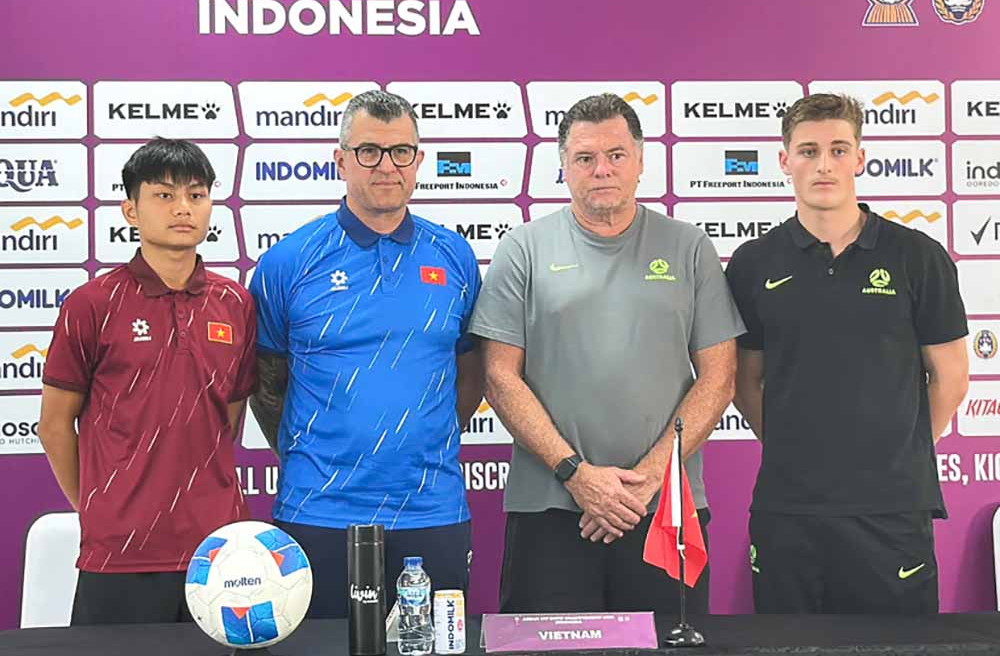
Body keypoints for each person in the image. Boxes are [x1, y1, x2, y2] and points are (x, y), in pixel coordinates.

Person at [468, 93, 744, 613]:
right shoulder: (523, 248)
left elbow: (719, 378)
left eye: (616, 155)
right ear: (563, 167)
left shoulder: (689, 247)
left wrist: (646, 483)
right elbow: (500, 377)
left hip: (665, 508)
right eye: (584, 158)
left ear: (640, 162)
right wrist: (577, 474)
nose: (602, 170)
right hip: (551, 507)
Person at [725, 93, 970, 614]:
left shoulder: (917, 257)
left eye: (838, 150)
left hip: (893, 510)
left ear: (860, 158)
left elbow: (949, 377)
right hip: (788, 509)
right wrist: (797, 444)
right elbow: (745, 382)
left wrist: (897, 447)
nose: (824, 165)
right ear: (784, 161)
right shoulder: (752, 263)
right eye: (808, 151)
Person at [248, 90, 483, 619]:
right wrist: (315, 452)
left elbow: (470, 374)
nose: (386, 166)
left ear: (419, 160)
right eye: (369, 151)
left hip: (431, 509)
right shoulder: (289, 261)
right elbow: (268, 385)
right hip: (319, 510)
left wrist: (420, 437)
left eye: (401, 151)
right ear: (341, 160)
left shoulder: (455, 256)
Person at [37, 138, 256, 625]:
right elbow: (54, 426)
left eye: (196, 196)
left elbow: (230, 418)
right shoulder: (91, 304)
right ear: (130, 210)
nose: (183, 208)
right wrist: (100, 507)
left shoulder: (236, 304)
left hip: (218, 554)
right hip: (119, 556)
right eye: (164, 195)